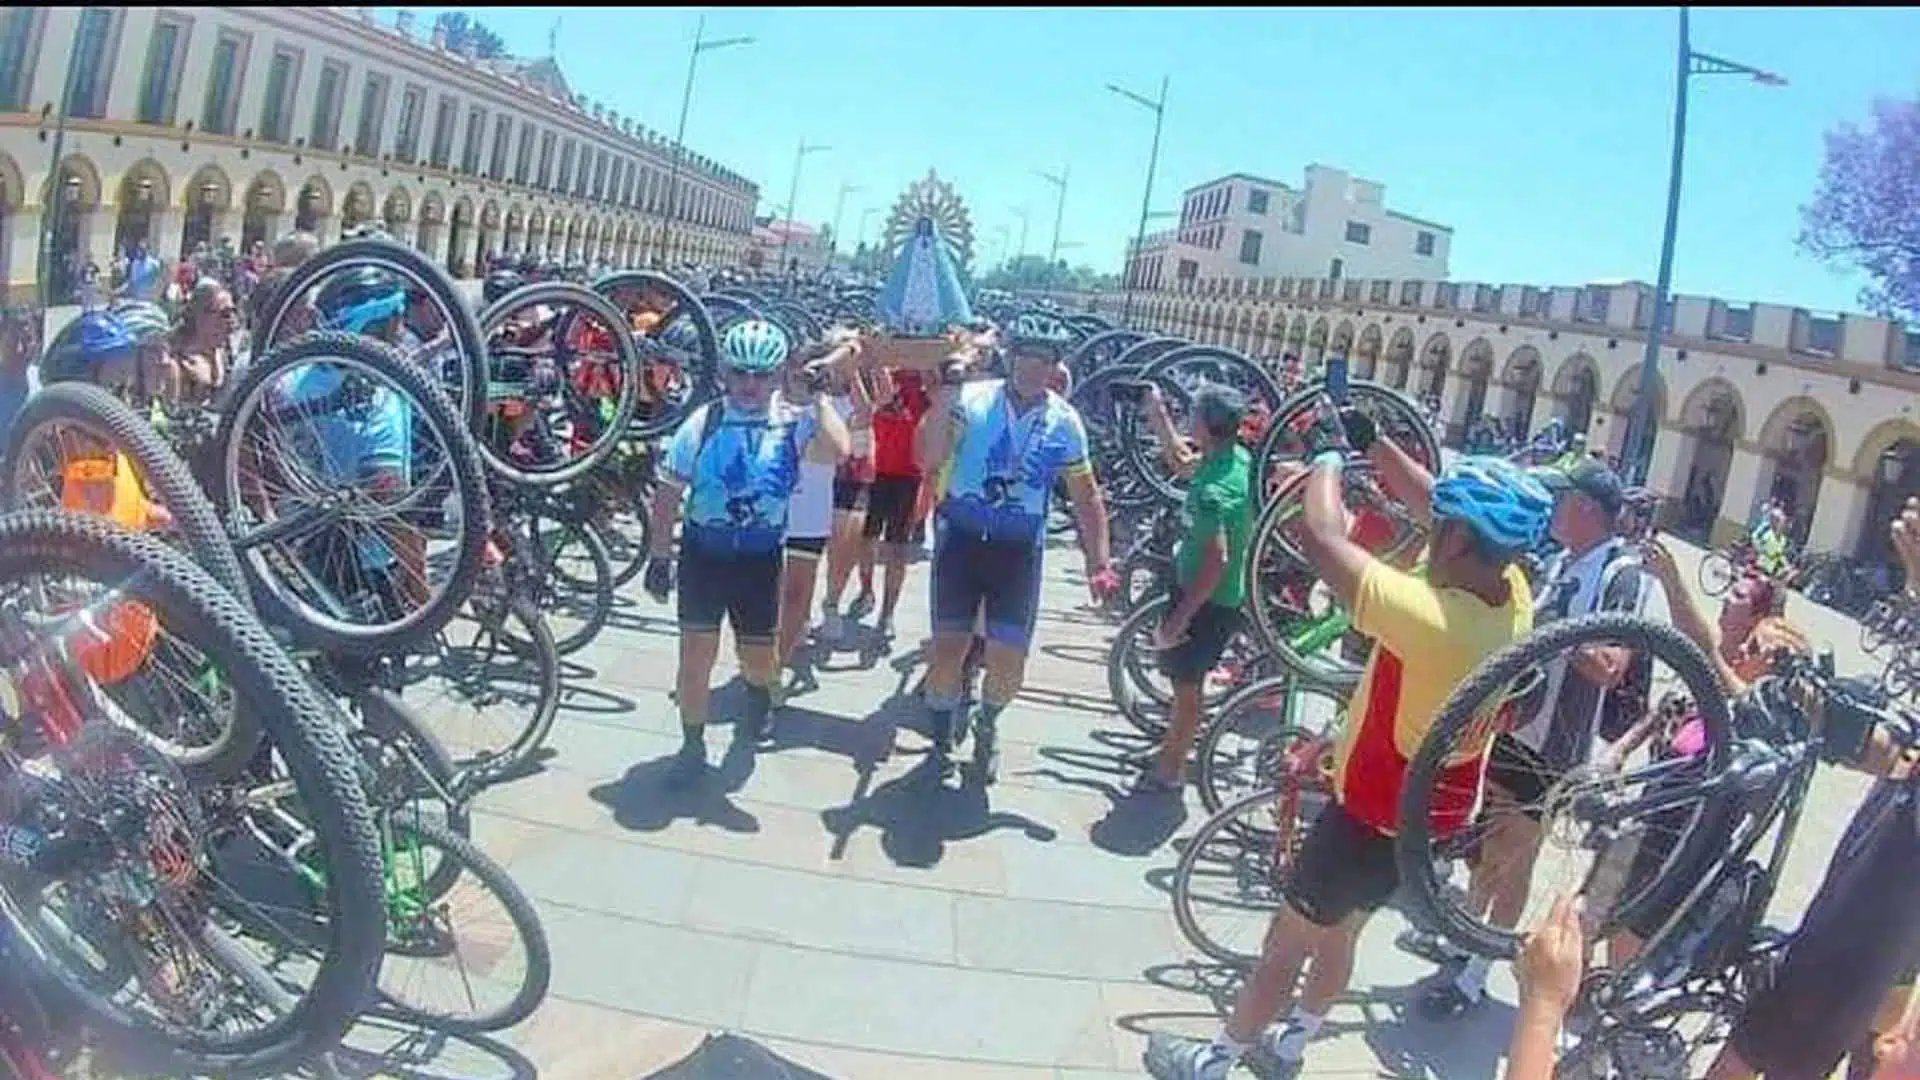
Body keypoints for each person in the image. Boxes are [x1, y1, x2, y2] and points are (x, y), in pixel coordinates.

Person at [1143, 427, 1552, 1079]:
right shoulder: (1510, 595)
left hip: (1369, 813)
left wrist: (1325, 464)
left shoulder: (1431, 617)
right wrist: (1378, 445)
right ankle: (1290, 1047)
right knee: (1342, 934)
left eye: (1445, 524)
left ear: (1461, 540)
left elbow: (1322, 540)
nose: (1433, 525)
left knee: (1286, 943)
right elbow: (1433, 505)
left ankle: (1215, 1062)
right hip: (1423, 815)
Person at [1401, 457, 1656, 1017]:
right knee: (1486, 849)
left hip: (1557, 743)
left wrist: (1557, 630)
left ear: (1586, 509)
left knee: (1513, 859)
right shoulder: (1563, 559)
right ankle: (1463, 938)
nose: (1554, 509)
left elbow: (1613, 665)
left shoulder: (1622, 576)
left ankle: (1475, 971)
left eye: (1563, 499)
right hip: (1517, 723)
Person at [914, 329, 1115, 786]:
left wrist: (1098, 561)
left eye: (1043, 361)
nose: (1032, 368)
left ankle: (987, 723)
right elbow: (930, 460)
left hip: (1018, 550)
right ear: (1011, 358)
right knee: (947, 652)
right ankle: (942, 739)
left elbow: (1086, 498)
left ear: (1054, 369)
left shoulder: (1065, 422)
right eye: (1025, 358)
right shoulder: (973, 399)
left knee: (1008, 664)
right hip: (961, 539)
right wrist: (943, 401)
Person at [644, 319, 841, 777]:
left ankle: (759, 692)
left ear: (777, 376)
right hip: (703, 555)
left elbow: (837, 450)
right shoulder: (706, 420)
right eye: (740, 373)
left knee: (757, 661)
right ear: (726, 374)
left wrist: (819, 397)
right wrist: (658, 555)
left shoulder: (792, 424)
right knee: (695, 658)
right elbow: (669, 491)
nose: (750, 385)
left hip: (759, 559)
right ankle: (692, 748)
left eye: (762, 375)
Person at [1131, 382, 1254, 796]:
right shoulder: (1235, 459)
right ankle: (1170, 753)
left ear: (1204, 424)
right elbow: (1183, 462)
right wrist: (1157, 412)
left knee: (1187, 690)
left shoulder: (1213, 493)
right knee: (1185, 685)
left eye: (1192, 413)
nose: (1188, 419)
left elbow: (1216, 561)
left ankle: (1170, 770)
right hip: (1214, 594)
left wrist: (1179, 619)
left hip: (1207, 600)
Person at [773, 335, 858, 688]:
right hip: (768, 514)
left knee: (796, 597)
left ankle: (775, 667)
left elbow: (841, 450)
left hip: (808, 519)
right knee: (767, 594)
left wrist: (819, 396)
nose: (799, 379)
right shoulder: (769, 402)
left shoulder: (828, 408)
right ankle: (762, 656)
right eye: (794, 371)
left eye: (805, 373)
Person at [848, 362, 933, 642]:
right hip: (876, 470)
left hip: (909, 475)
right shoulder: (878, 370)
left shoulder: (926, 378)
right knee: (866, 539)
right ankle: (866, 589)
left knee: (898, 549)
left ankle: (887, 612)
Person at [172, 279, 237, 407]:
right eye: (225, 313)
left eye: (233, 312)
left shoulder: (226, 353)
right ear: (200, 316)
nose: (232, 320)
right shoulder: (178, 360)